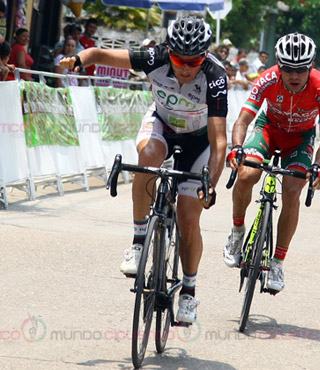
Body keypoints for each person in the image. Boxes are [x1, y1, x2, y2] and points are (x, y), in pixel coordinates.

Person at [60, 16, 228, 323]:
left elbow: (219, 141)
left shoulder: (215, 76)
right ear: (169, 51)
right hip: (162, 125)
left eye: (194, 62)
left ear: (204, 57)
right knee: (148, 158)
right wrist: (77, 60)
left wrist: (211, 182)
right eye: (179, 60)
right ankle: (138, 243)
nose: (186, 68)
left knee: (189, 218)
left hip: (197, 141)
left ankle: (189, 292)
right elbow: (97, 54)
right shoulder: (155, 57)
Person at [223, 32, 320, 292]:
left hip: (300, 139)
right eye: (287, 69)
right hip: (268, 130)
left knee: (293, 189)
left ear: (312, 67)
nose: (294, 76)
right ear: (278, 66)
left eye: (301, 70)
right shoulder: (268, 79)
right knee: (247, 174)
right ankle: (237, 232)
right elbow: (242, 120)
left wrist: (318, 166)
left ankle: (277, 262)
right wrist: (237, 148)